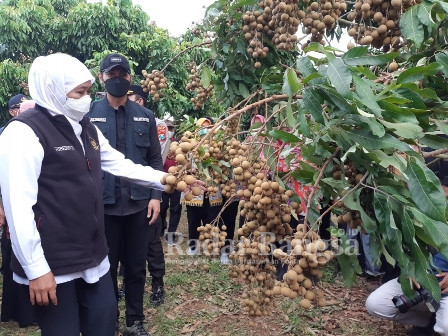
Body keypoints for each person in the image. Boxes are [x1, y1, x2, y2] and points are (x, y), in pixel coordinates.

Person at [0, 53, 169, 336]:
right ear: (53, 89)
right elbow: (18, 209)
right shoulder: (23, 133)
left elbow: (119, 163)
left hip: (93, 254)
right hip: (54, 262)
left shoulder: (84, 126)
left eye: (89, 91)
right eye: (79, 92)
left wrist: (165, 179)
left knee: (103, 324)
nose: (86, 98)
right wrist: (36, 268)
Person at [88, 53, 164, 335]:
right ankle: (109, 320)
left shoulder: (145, 116)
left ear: (130, 78)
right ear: (102, 78)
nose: (117, 79)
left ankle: (135, 320)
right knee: (105, 269)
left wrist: (156, 195)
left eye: (122, 74)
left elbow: (155, 161)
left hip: (138, 206)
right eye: (111, 74)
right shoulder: (88, 117)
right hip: (103, 207)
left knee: (135, 267)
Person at [125, 83, 167, 306]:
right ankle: (127, 283)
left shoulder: (156, 125)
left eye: (128, 97)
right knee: (123, 244)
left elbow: (155, 159)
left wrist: (155, 195)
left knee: (151, 242)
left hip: (146, 190)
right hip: (121, 193)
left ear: (139, 100)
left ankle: (158, 282)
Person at [0, 97, 36, 327]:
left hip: (38, 206)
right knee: (13, 258)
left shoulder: (43, 136)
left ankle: (31, 312)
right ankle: (16, 310)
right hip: (13, 204)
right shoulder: (7, 136)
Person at [182, 117, 223, 256]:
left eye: (208, 127)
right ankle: (193, 245)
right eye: (202, 127)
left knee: (212, 217)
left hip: (213, 188)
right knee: (193, 218)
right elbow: (182, 165)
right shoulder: (189, 146)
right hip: (194, 188)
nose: (205, 130)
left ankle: (209, 245)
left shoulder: (218, 146)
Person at [160, 119, 182, 245]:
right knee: (163, 207)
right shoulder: (160, 144)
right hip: (163, 181)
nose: (169, 131)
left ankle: (171, 233)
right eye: (167, 128)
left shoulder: (178, 144)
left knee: (176, 208)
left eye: (171, 129)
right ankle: (162, 227)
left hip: (177, 181)